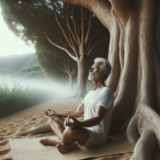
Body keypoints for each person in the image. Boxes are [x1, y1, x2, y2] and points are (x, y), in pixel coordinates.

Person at [39, 57, 114, 154]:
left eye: (94, 68)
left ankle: (60, 141)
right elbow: (77, 112)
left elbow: (98, 118)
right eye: (91, 67)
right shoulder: (90, 93)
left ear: (103, 73)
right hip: (84, 130)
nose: (90, 70)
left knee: (70, 130)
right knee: (53, 119)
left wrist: (78, 124)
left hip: (97, 135)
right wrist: (55, 112)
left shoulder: (106, 92)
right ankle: (69, 143)